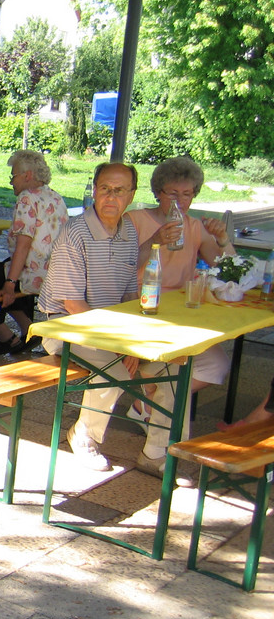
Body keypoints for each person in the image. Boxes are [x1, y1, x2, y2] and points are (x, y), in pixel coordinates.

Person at [38, 162, 180, 479]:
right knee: (115, 370)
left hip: (108, 327)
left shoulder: (128, 230)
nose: (111, 196)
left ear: (131, 195)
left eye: (119, 190)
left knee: (171, 365)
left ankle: (156, 451)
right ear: (94, 191)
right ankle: (83, 436)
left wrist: (132, 342)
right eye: (104, 188)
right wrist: (120, 346)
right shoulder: (75, 233)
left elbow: (129, 294)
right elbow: (73, 305)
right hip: (66, 327)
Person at [125, 156, 235, 426]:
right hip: (139, 308)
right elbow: (123, 266)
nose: (180, 201)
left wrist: (223, 239)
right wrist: (155, 241)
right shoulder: (134, 220)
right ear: (158, 193)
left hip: (181, 313)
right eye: (173, 193)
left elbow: (228, 269)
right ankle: (154, 412)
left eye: (187, 194)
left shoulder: (194, 226)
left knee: (217, 365)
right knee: (172, 366)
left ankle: (146, 403)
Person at [0, 150, 67, 355]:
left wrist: (10, 283)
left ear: (27, 175)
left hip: (32, 273)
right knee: (6, 271)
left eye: (13, 176)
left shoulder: (26, 198)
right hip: (52, 272)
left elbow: (23, 245)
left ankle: (6, 336)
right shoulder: (55, 196)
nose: (11, 182)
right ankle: (29, 330)